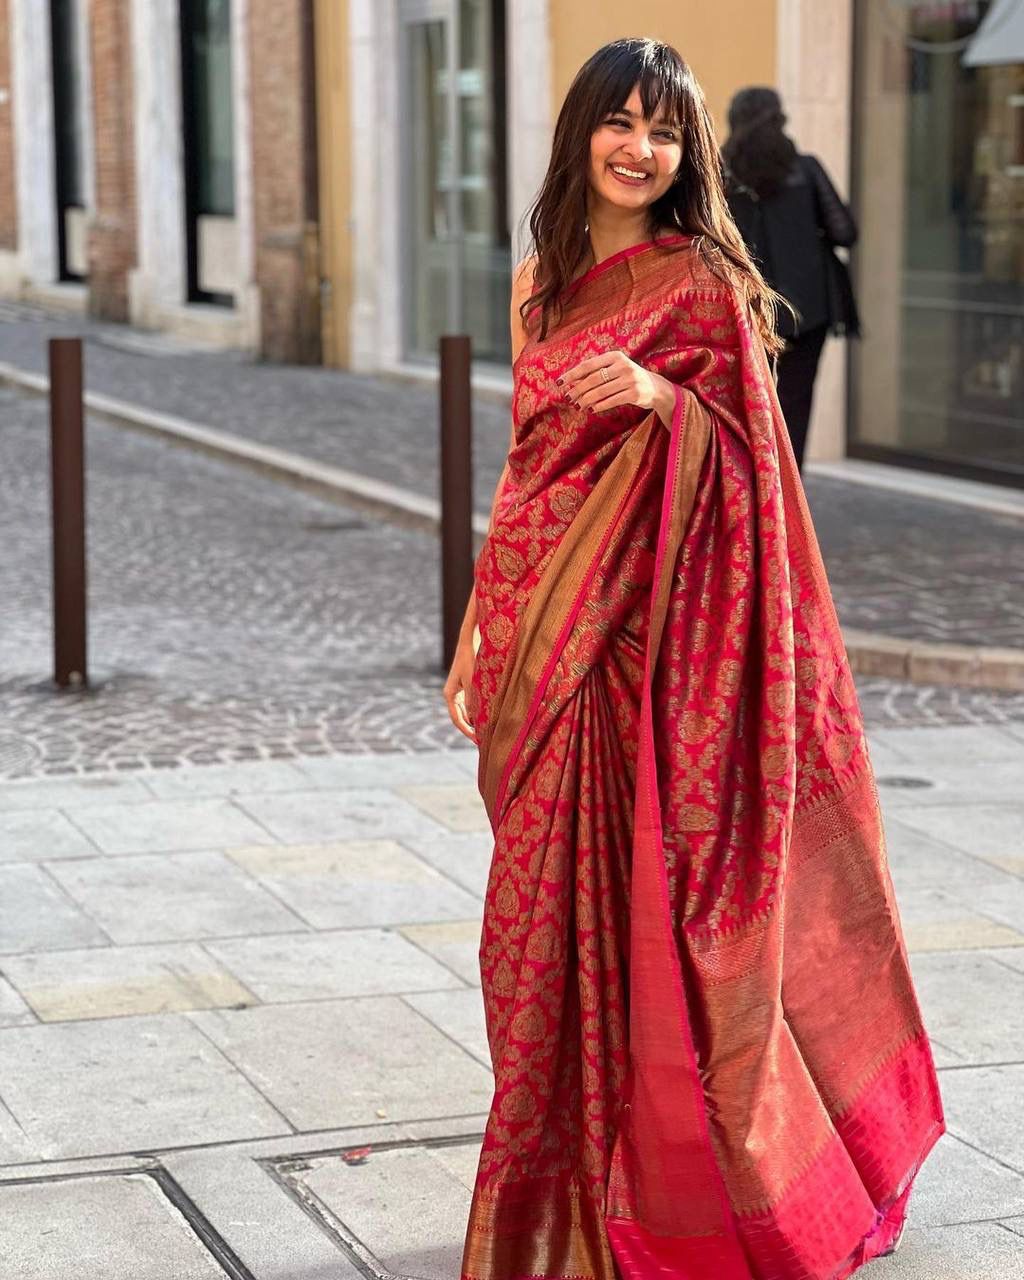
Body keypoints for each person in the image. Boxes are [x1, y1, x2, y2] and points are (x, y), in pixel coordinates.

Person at [443, 37, 942, 1280]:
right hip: (540, 646)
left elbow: (760, 481)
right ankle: (556, 1175)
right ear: (581, 133)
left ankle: (664, 1193)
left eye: (661, 131)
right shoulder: (541, 280)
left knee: (652, 932)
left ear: (688, 152)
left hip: (651, 659)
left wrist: (665, 407)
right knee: (532, 932)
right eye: (616, 122)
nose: (637, 148)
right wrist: (474, 627)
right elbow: (524, 475)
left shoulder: (708, 282)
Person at [723, 86, 859, 470]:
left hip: (746, 312)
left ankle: (751, 493)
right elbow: (845, 232)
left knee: (747, 409)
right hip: (808, 311)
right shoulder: (806, 169)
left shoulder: (720, 175)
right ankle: (788, 502)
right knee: (795, 407)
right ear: (780, 119)